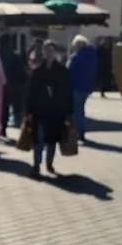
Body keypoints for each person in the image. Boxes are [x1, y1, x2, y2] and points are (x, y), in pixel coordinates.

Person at [25, 39, 73, 178]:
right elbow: (31, 91)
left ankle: (49, 162)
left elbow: (67, 92)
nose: (49, 53)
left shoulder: (62, 71)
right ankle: (36, 165)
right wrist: (28, 111)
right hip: (40, 111)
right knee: (38, 140)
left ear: (56, 52)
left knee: (52, 140)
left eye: (51, 50)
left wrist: (69, 113)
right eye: (46, 51)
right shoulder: (38, 71)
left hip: (56, 112)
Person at [66, 35, 97, 141]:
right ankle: (80, 130)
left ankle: (79, 131)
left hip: (76, 86)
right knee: (81, 109)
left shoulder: (76, 56)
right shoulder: (92, 55)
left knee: (77, 110)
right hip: (87, 87)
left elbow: (68, 70)